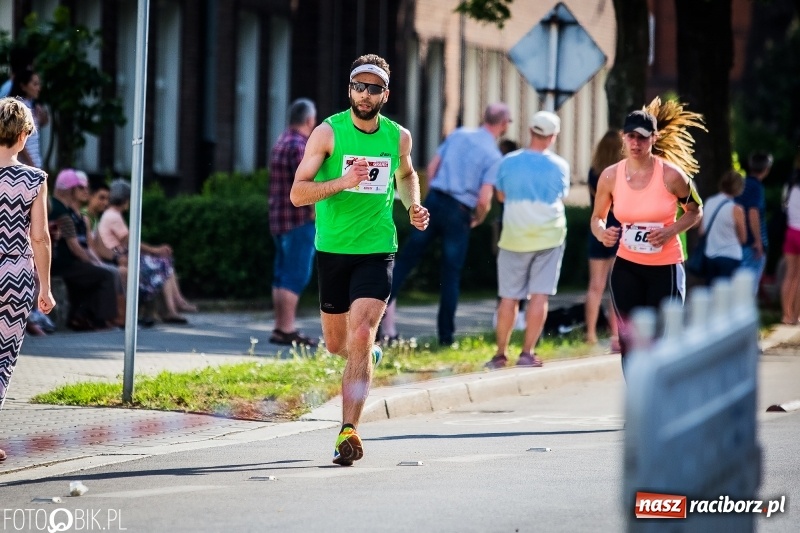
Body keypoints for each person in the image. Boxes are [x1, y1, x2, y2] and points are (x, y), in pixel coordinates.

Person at [290, 54, 429, 466]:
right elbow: (298, 193)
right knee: (338, 344)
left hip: (377, 247)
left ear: (386, 93)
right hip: (333, 250)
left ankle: (348, 432)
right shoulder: (327, 134)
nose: (365, 94)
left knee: (362, 332)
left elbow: (406, 175)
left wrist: (413, 205)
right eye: (358, 86)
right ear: (350, 90)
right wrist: (343, 182)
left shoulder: (397, 137)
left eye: (373, 87)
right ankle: (366, 358)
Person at [381, 102, 511, 345]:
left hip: (435, 200)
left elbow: (432, 168)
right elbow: (484, 198)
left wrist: (427, 200)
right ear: (503, 124)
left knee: (405, 260)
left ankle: (376, 321)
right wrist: (478, 218)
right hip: (460, 211)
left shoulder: (459, 134)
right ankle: (445, 336)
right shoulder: (494, 156)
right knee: (451, 275)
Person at [590, 102, 704, 368]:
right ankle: (639, 402)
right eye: (631, 136)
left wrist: (671, 231)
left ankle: (661, 399)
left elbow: (695, 211)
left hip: (665, 269)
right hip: (627, 267)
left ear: (655, 138)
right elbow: (597, 217)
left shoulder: (672, 176)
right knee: (629, 340)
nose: (636, 143)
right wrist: (602, 233)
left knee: (660, 340)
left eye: (643, 137)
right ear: (623, 137)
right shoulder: (609, 176)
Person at [485, 111, 569, 369]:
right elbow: (561, 196)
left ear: (531, 131)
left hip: (514, 237)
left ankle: (500, 354)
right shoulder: (560, 165)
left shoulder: (508, 162)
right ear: (552, 137)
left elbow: (500, 196)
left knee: (509, 297)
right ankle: (527, 353)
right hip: (549, 236)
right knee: (539, 296)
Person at [0, 97, 56, 462]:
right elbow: (39, 237)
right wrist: (45, 287)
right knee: (2, 359)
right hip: (14, 279)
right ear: (23, 137)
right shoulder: (34, 179)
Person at [98, 179, 196, 324]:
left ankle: (174, 305)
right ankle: (174, 306)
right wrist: (155, 250)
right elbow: (132, 242)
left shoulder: (111, 215)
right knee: (164, 262)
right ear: (125, 199)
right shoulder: (113, 216)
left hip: (122, 257)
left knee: (164, 262)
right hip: (120, 259)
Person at [268, 98, 318, 347]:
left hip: (278, 218)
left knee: (281, 275)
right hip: (297, 219)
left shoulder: (281, 141)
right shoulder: (300, 146)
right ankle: (287, 328)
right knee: (295, 275)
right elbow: (306, 183)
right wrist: (315, 211)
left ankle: (280, 326)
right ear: (309, 120)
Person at [50, 169, 120, 330]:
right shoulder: (62, 212)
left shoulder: (56, 207)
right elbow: (74, 246)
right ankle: (102, 321)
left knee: (92, 274)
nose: (84, 191)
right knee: (105, 275)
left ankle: (80, 317)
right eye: (79, 187)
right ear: (70, 190)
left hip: (59, 264)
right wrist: (90, 262)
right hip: (63, 265)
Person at [585, 130, 623, 351]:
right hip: (619, 229)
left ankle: (590, 334)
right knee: (616, 286)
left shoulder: (593, 173)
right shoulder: (622, 174)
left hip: (597, 228)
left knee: (595, 285)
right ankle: (616, 335)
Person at [735, 151, 773, 295]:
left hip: (740, 241)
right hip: (752, 245)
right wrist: (758, 240)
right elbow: (753, 212)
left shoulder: (742, 184)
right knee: (749, 288)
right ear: (766, 169)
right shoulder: (756, 187)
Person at [699, 169, 746, 284]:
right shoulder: (736, 209)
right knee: (727, 297)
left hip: (710, 256)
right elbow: (743, 238)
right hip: (730, 256)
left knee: (712, 296)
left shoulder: (709, 201)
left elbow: (702, 231)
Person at [8, 69, 48, 169]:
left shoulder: (31, 105)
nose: (38, 88)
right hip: (25, 166)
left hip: (34, 162)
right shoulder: (18, 107)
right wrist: (31, 165)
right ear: (23, 86)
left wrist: (42, 116)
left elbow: (36, 129)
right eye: (35, 84)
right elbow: (18, 139)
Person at [780, 156, 800, 324]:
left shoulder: (790, 186)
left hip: (790, 232)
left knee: (790, 275)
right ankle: (796, 315)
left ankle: (786, 315)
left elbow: (783, 208)